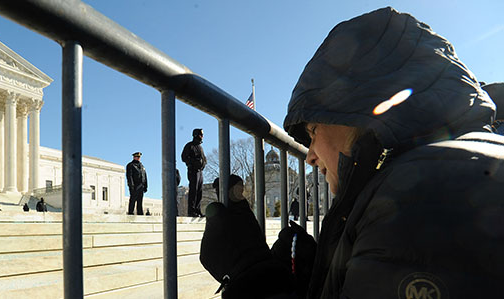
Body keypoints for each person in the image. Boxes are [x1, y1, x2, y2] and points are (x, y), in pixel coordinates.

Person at [199, 7, 504, 298]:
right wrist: (314, 276)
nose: (310, 156)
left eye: (313, 131)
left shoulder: (422, 198)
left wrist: (251, 275)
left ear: (356, 113)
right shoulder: (435, 169)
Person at [181, 128, 207, 217]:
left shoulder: (200, 147)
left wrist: (202, 164)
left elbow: (204, 159)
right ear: (196, 135)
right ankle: (191, 211)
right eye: (201, 135)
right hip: (193, 171)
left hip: (200, 172)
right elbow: (184, 157)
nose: (202, 137)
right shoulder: (189, 145)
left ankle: (197, 210)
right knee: (193, 190)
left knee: (200, 191)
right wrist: (193, 162)